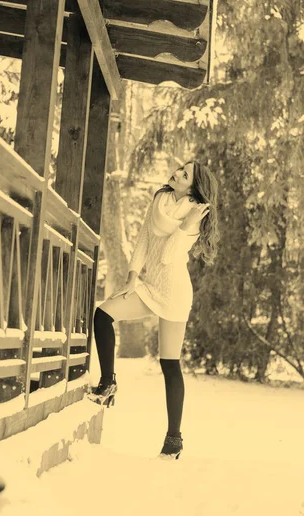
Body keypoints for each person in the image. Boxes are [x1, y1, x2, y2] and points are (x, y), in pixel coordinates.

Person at [87, 161, 219, 459]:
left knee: (169, 364)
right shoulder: (160, 199)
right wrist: (133, 278)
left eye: (185, 175)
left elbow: (172, 255)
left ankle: (174, 440)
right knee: (103, 314)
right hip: (149, 285)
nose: (177, 174)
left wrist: (185, 227)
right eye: (179, 169)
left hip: (174, 291)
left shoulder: (196, 212)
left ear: (193, 187)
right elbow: (145, 239)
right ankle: (108, 383)